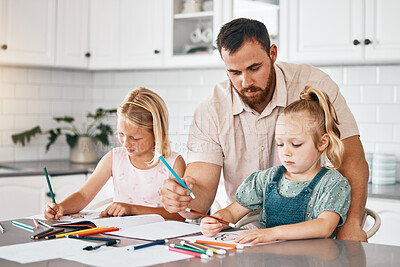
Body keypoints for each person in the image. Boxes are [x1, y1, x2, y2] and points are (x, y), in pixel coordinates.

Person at [160, 18, 369, 241]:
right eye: (234, 72)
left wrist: (353, 224)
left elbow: (353, 161)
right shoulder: (211, 109)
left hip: (314, 241)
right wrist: (182, 198)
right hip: (245, 237)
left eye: (254, 68)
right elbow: (200, 192)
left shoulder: (314, 83)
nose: (245, 81)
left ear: (273, 54)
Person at [201, 86, 351, 244]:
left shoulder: (333, 184)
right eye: (280, 144)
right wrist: (216, 220)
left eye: (296, 144)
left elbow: (324, 226)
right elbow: (232, 213)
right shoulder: (266, 179)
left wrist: (272, 233)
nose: (286, 152)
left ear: (322, 142)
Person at [44, 87, 186, 221]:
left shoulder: (174, 163)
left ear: (157, 133)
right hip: (121, 236)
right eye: (121, 134)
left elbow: (180, 216)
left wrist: (132, 209)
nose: (125, 143)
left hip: (161, 238)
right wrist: (61, 207)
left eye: (135, 138)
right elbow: (83, 195)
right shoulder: (115, 158)